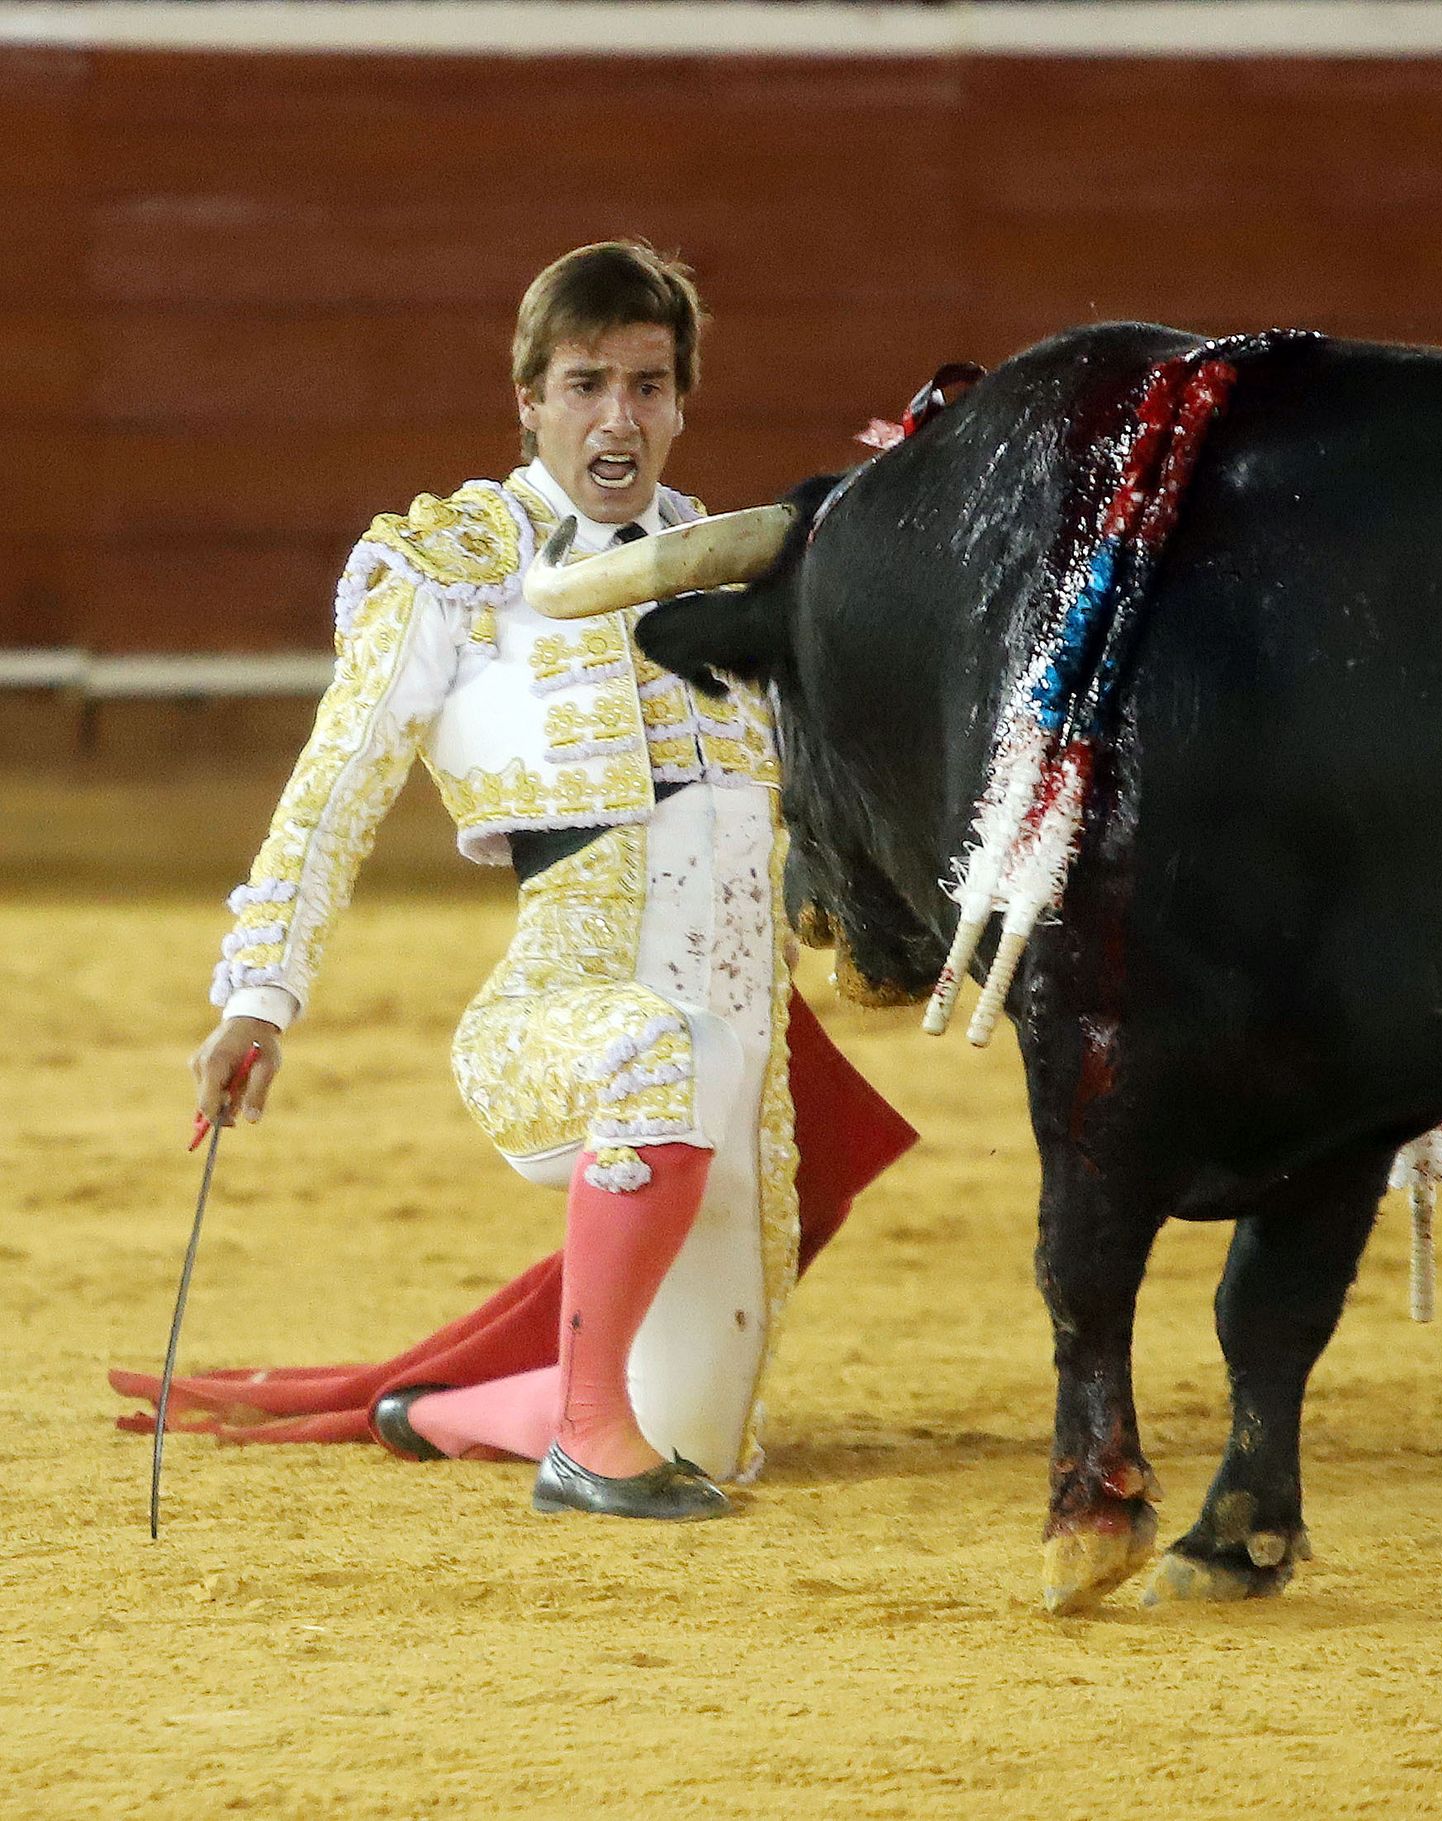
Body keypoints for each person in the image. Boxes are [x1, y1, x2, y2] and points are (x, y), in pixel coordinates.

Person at [111, 241, 914, 1520]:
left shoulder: (729, 570)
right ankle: (586, 1440)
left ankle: (440, 1415)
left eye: (648, 385)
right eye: (586, 382)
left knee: (708, 1440)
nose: (619, 416)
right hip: (565, 1013)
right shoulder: (456, 565)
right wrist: (260, 995)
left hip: (741, 1060)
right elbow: (335, 788)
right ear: (529, 402)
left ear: (680, 401)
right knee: (657, 1052)